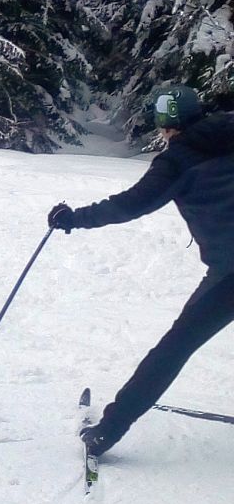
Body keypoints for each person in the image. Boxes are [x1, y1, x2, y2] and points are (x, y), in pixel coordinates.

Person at [49, 84, 234, 457]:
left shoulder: (177, 161)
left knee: (173, 349)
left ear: (166, 124)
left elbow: (131, 205)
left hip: (229, 273)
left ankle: (107, 432)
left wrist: (73, 218)